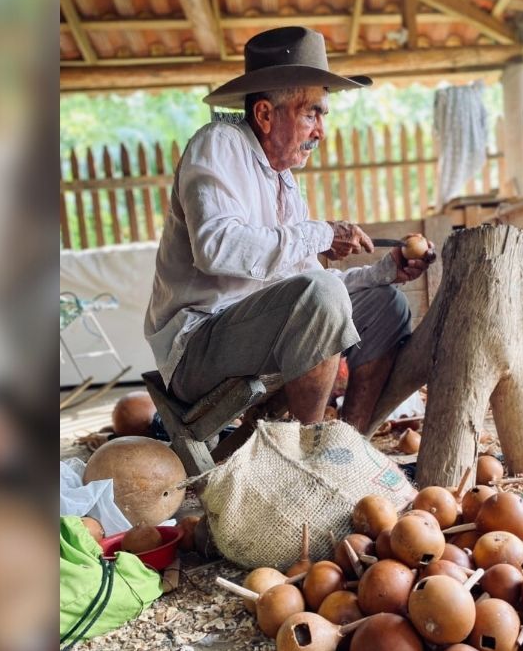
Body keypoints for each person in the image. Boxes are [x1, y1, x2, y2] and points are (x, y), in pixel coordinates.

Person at [145, 26, 435, 431]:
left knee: (387, 305)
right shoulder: (219, 144)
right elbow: (215, 248)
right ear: (264, 114)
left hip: (258, 332)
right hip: (196, 345)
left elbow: (308, 285)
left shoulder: (284, 182)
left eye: (322, 115)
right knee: (323, 294)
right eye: (310, 113)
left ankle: (346, 443)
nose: (320, 131)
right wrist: (321, 233)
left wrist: (381, 273)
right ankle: (309, 453)